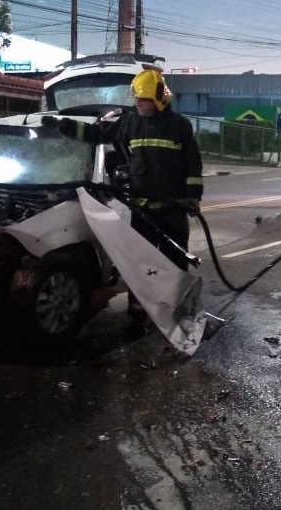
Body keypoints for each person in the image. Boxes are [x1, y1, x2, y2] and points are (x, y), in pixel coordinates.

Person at [42, 69, 203, 335]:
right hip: (141, 209)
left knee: (174, 263)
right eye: (137, 100)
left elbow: (193, 164)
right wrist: (64, 126)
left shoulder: (179, 126)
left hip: (172, 209)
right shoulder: (131, 122)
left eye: (144, 100)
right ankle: (138, 317)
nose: (139, 104)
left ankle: (176, 311)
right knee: (140, 266)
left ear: (160, 98)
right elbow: (97, 133)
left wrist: (193, 197)